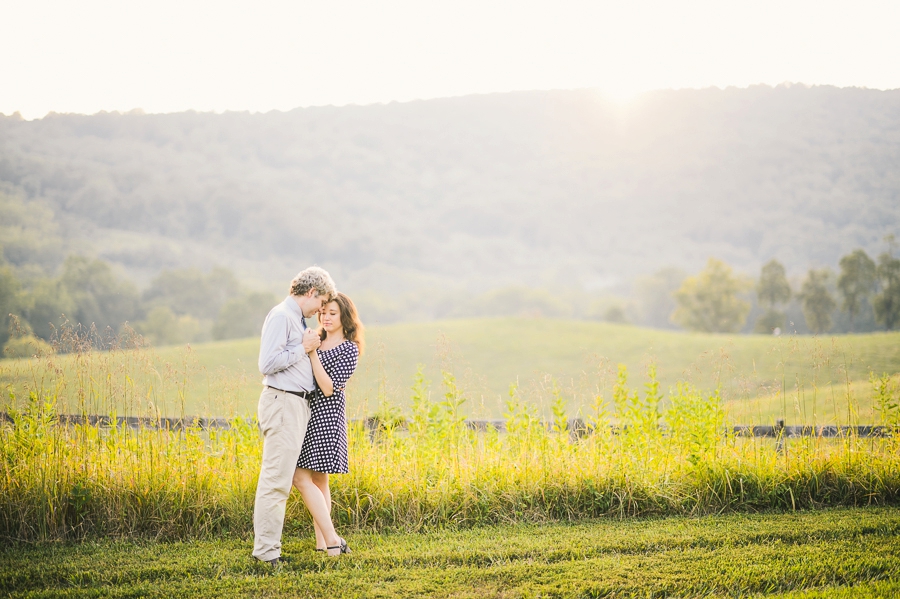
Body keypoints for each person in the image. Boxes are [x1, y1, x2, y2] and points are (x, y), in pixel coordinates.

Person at [252, 266, 336, 566]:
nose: (321, 309)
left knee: (282, 480)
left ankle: (269, 549)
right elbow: (268, 362)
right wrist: (303, 348)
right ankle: (266, 553)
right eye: (321, 301)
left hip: (295, 405)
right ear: (311, 293)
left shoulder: (296, 319)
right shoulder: (282, 316)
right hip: (283, 402)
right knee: (276, 481)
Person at [293, 292, 363, 557]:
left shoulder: (349, 348)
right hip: (305, 413)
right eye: (324, 312)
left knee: (302, 476)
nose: (326, 317)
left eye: (332, 313)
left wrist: (311, 355)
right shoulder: (316, 340)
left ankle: (331, 540)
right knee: (319, 480)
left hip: (326, 417)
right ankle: (323, 544)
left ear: (345, 316)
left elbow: (329, 388)